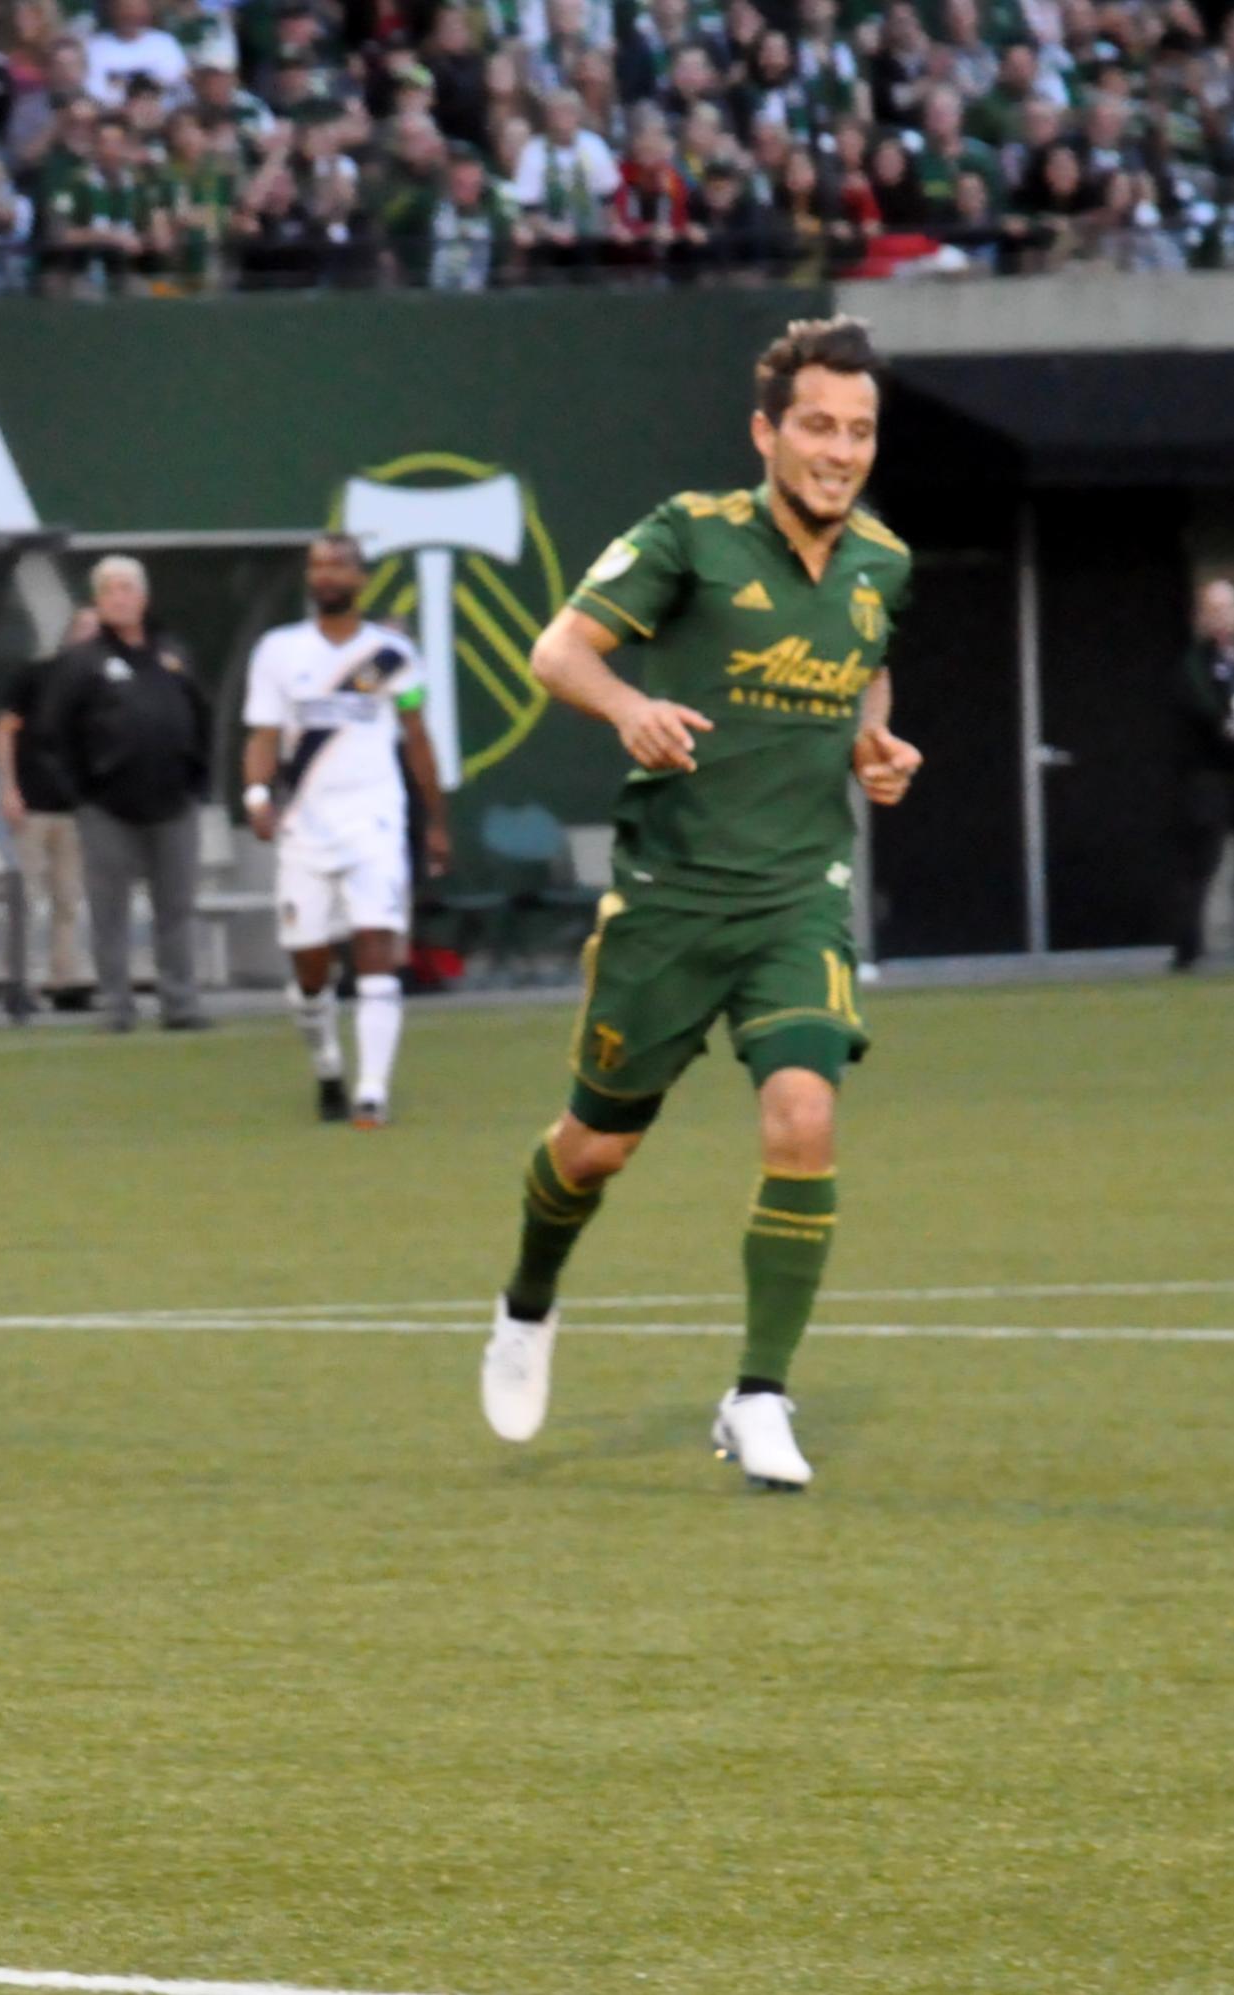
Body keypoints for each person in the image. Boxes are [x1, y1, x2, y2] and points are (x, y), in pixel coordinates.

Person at [480, 315, 923, 1493]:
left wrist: (873, 741)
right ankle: (526, 1305)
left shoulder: (883, 562)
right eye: (819, 426)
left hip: (796, 900)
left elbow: (869, 659)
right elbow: (555, 652)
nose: (840, 450)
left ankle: (759, 1394)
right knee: (593, 1150)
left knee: (802, 1117)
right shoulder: (689, 534)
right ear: (765, 433)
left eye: (861, 430)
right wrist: (626, 708)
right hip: (671, 905)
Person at [240, 535, 453, 1127]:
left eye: (337, 565)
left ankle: (371, 1092)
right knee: (310, 968)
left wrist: (434, 820)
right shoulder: (277, 652)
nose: (326, 575)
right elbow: (261, 735)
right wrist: (257, 795)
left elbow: (415, 733)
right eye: (317, 566)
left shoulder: (393, 655)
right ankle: (328, 1062)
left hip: (375, 822)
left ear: (360, 579)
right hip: (305, 830)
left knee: (375, 944)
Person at [34, 556, 209, 1032]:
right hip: (108, 809)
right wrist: (82, 795)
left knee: (175, 907)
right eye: (110, 590)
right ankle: (117, 1005)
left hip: (174, 803)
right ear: (98, 600)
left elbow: (200, 714)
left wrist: (198, 781)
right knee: (109, 909)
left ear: (144, 597)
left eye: (129, 588)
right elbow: (52, 733)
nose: (121, 597)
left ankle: (180, 1003)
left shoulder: (173, 653)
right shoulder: (80, 663)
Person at [0, 615, 96, 1013]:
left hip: (76, 807)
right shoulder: (36, 675)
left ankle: (64, 976)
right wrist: (8, 787)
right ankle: (23, 978)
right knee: (28, 895)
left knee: (69, 897)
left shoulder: (100, 684)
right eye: (85, 630)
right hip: (33, 802)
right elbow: (3, 728)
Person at [1170, 578, 1234, 971]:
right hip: (1210, 774)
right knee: (1200, 862)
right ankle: (1186, 950)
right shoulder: (1195, 662)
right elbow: (1201, 704)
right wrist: (1225, 724)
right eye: (1214, 610)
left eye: (1227, 608)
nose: (1222, 617)